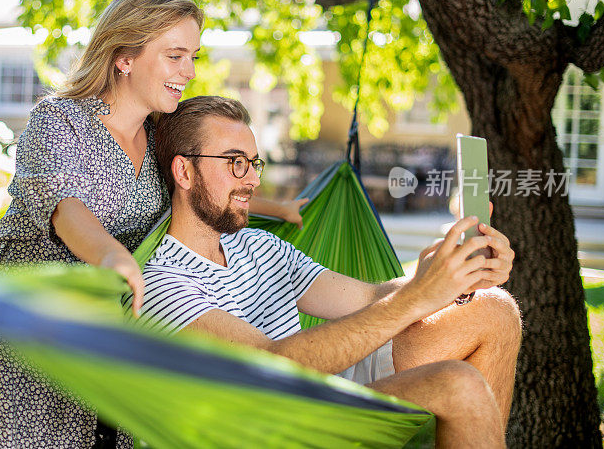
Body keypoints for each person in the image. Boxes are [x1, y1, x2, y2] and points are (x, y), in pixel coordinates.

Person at [0, 0, 305, 448]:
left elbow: (204, 186)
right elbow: (63, 207)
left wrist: (280, 209)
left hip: (106, 347)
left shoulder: (159, 138)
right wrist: (112, 256)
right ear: (125, 57)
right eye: (175, 56)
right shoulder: (61, 120)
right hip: (26, 348)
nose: (189, 72)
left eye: (192, 56)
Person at [133, 95, 522, 448]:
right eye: (235, 163)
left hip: (324, 398)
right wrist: (417, 296)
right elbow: (271, 364)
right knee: (459, 385)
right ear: (183, 172)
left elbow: (368, 298)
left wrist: (439, 275)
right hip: (275, 430)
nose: (252, 180)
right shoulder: (162, 282)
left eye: (254, 164)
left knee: (494, 309)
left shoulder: (257, 245)